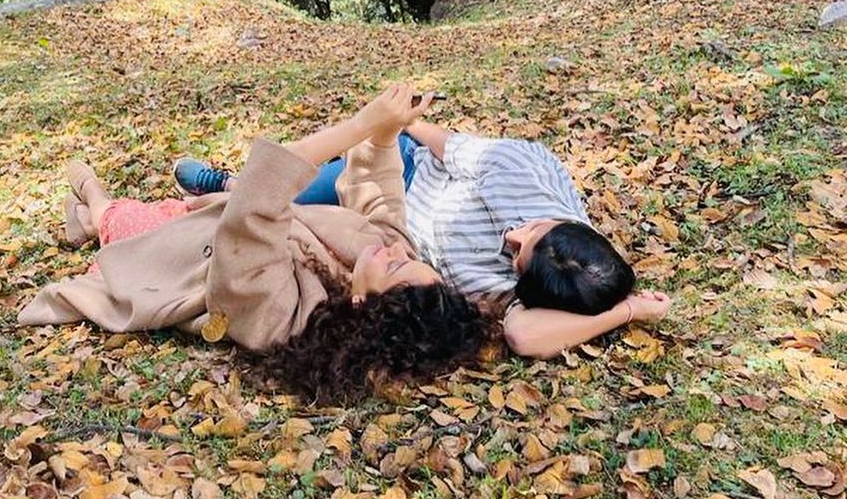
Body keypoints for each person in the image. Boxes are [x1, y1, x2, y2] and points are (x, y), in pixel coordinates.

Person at [19, 85, 498, 402]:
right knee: (155, 211)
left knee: (119, 219)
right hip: (206, 219)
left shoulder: (282, 317)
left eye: (396, 267)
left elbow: (255, 199)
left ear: (363, 304)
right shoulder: (381, 252)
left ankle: (91, 200)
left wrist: (359, 125)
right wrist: (387, 129)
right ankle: (84, 220)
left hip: (178, 259)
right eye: (406, 256)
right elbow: (380, 187)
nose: (397, 251)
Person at [174, 108, 672, 359]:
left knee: (278, 214)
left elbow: (523, 334)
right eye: (534, 228)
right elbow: (445, 145)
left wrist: (624, 312)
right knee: (281, 193)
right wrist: (398, 126)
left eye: (518, 255)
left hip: (383, 234)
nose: (514, 235)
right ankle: (227, 185)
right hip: (408, 175)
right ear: (560, 219)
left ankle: (226, 196)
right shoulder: (521, 173)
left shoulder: (534, 289)